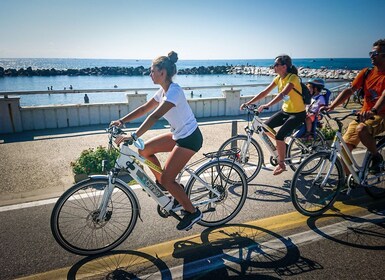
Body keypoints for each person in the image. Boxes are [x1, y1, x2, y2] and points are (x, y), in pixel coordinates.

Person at [110, 51, 203, 231]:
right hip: (178, 135)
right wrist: (122, 121)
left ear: (162, 72)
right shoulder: (163, 91)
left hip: (190, 138)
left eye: (152, 71)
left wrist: (134, 136)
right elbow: (145, 108)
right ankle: (167, 184)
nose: (149, 74)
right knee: (144, 150)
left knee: (168, 179)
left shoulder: (174, 92)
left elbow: (155, 115)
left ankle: (192, 212)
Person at [240, 55, 306, 175]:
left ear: (284, 67)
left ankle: (281, 164)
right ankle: (283, 146)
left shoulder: (293, 78)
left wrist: (267, 105)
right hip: (285, 111)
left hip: (297, 114)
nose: (273, 67)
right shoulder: (278, 79)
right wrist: (248, 102)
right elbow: (264, 92)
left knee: (279, 135)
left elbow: (282, 94)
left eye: (276, 65)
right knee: (264, 128)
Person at [327, 38, 385, 174]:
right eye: (370, 53)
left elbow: (384, 96)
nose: (371, 56)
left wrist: (373, 110)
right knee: (343, 148)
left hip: (381, 115)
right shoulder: (366, 73)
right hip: (364, 115)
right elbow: (349, 90)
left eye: (374, 54)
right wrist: (332, 106)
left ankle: (377, 158)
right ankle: (350, 179)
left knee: (362, 129)